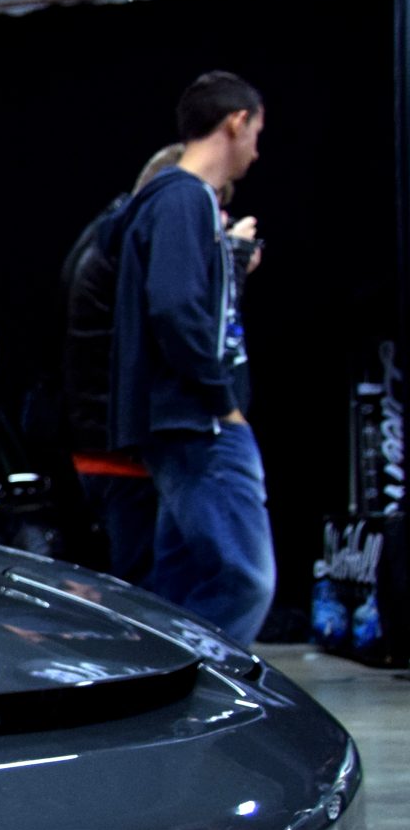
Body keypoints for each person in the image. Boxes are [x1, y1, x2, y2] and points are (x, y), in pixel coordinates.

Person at [112, 71, 273, 645]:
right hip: (199, 421)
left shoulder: (171, 201)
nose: (256, 151)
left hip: (180, 420)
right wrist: (221, 402)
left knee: (180, 586)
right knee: (245, 579)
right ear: (236, 122)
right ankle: (205, 683)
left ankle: (168, 680)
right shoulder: (186, 198)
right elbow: (175, 307)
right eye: (256, 133)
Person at [63, 143, 185, 582]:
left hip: (99, 439)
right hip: (125, 446)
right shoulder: (133, 243)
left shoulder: (103, 235)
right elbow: (174, 328)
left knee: (124, 583)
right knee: (142, 592)